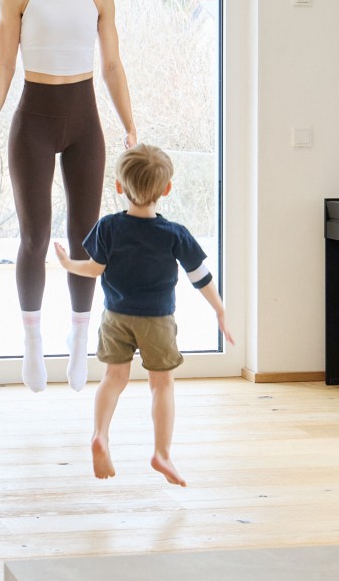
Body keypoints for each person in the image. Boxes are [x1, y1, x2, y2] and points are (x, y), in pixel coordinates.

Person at [0, 0, 136, 393]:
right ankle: (31, 342)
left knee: (86, 236)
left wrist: (130, 125)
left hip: (85, 120)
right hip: (34, 122)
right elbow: (5, 63)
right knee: (34, 237)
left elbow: (111, 64)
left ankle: (81, 338)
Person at [54, 143, 234, 486]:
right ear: (166, 189)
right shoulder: (174, 234)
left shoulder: (109, 227)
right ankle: (161, 453)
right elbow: (201, 278)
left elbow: (94, 269)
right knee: (161, 384)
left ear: (120, 187)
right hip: (157, 321)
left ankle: (100, 435)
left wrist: (66, 263)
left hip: (116, 317)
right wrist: (220, 310)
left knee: (113, 379)